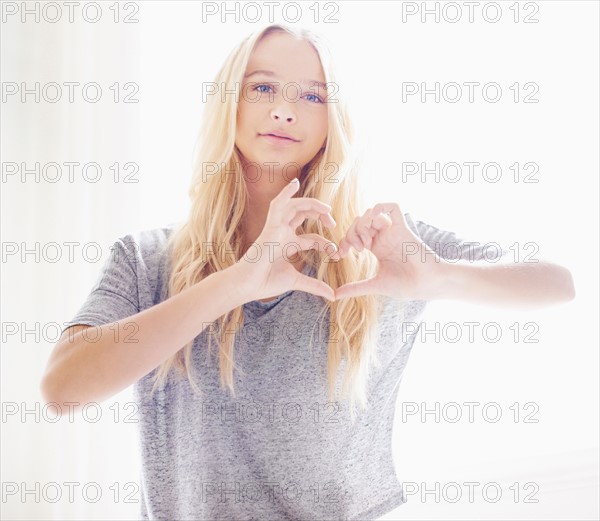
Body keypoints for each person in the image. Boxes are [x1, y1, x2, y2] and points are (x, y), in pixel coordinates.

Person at [41, 23, 576, 521]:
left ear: (332, 121)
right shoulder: (146, 259)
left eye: (312, 96)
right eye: (263, 88)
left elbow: (558, 284)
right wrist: (237, 281)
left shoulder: (378, 248)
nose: (284, 111)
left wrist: (441, 277)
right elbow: (63, 388)